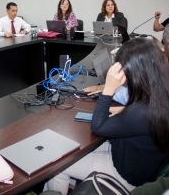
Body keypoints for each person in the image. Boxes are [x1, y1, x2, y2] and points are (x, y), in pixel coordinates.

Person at [44, 38, 169, 194]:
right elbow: (146, 116)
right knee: (71, 150)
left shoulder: (142, 114)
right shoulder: (161, 92)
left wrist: (108, 89)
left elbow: (98, 126)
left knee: (58, 167)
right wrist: (126, 110)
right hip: (135, 159)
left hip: (126, 174)